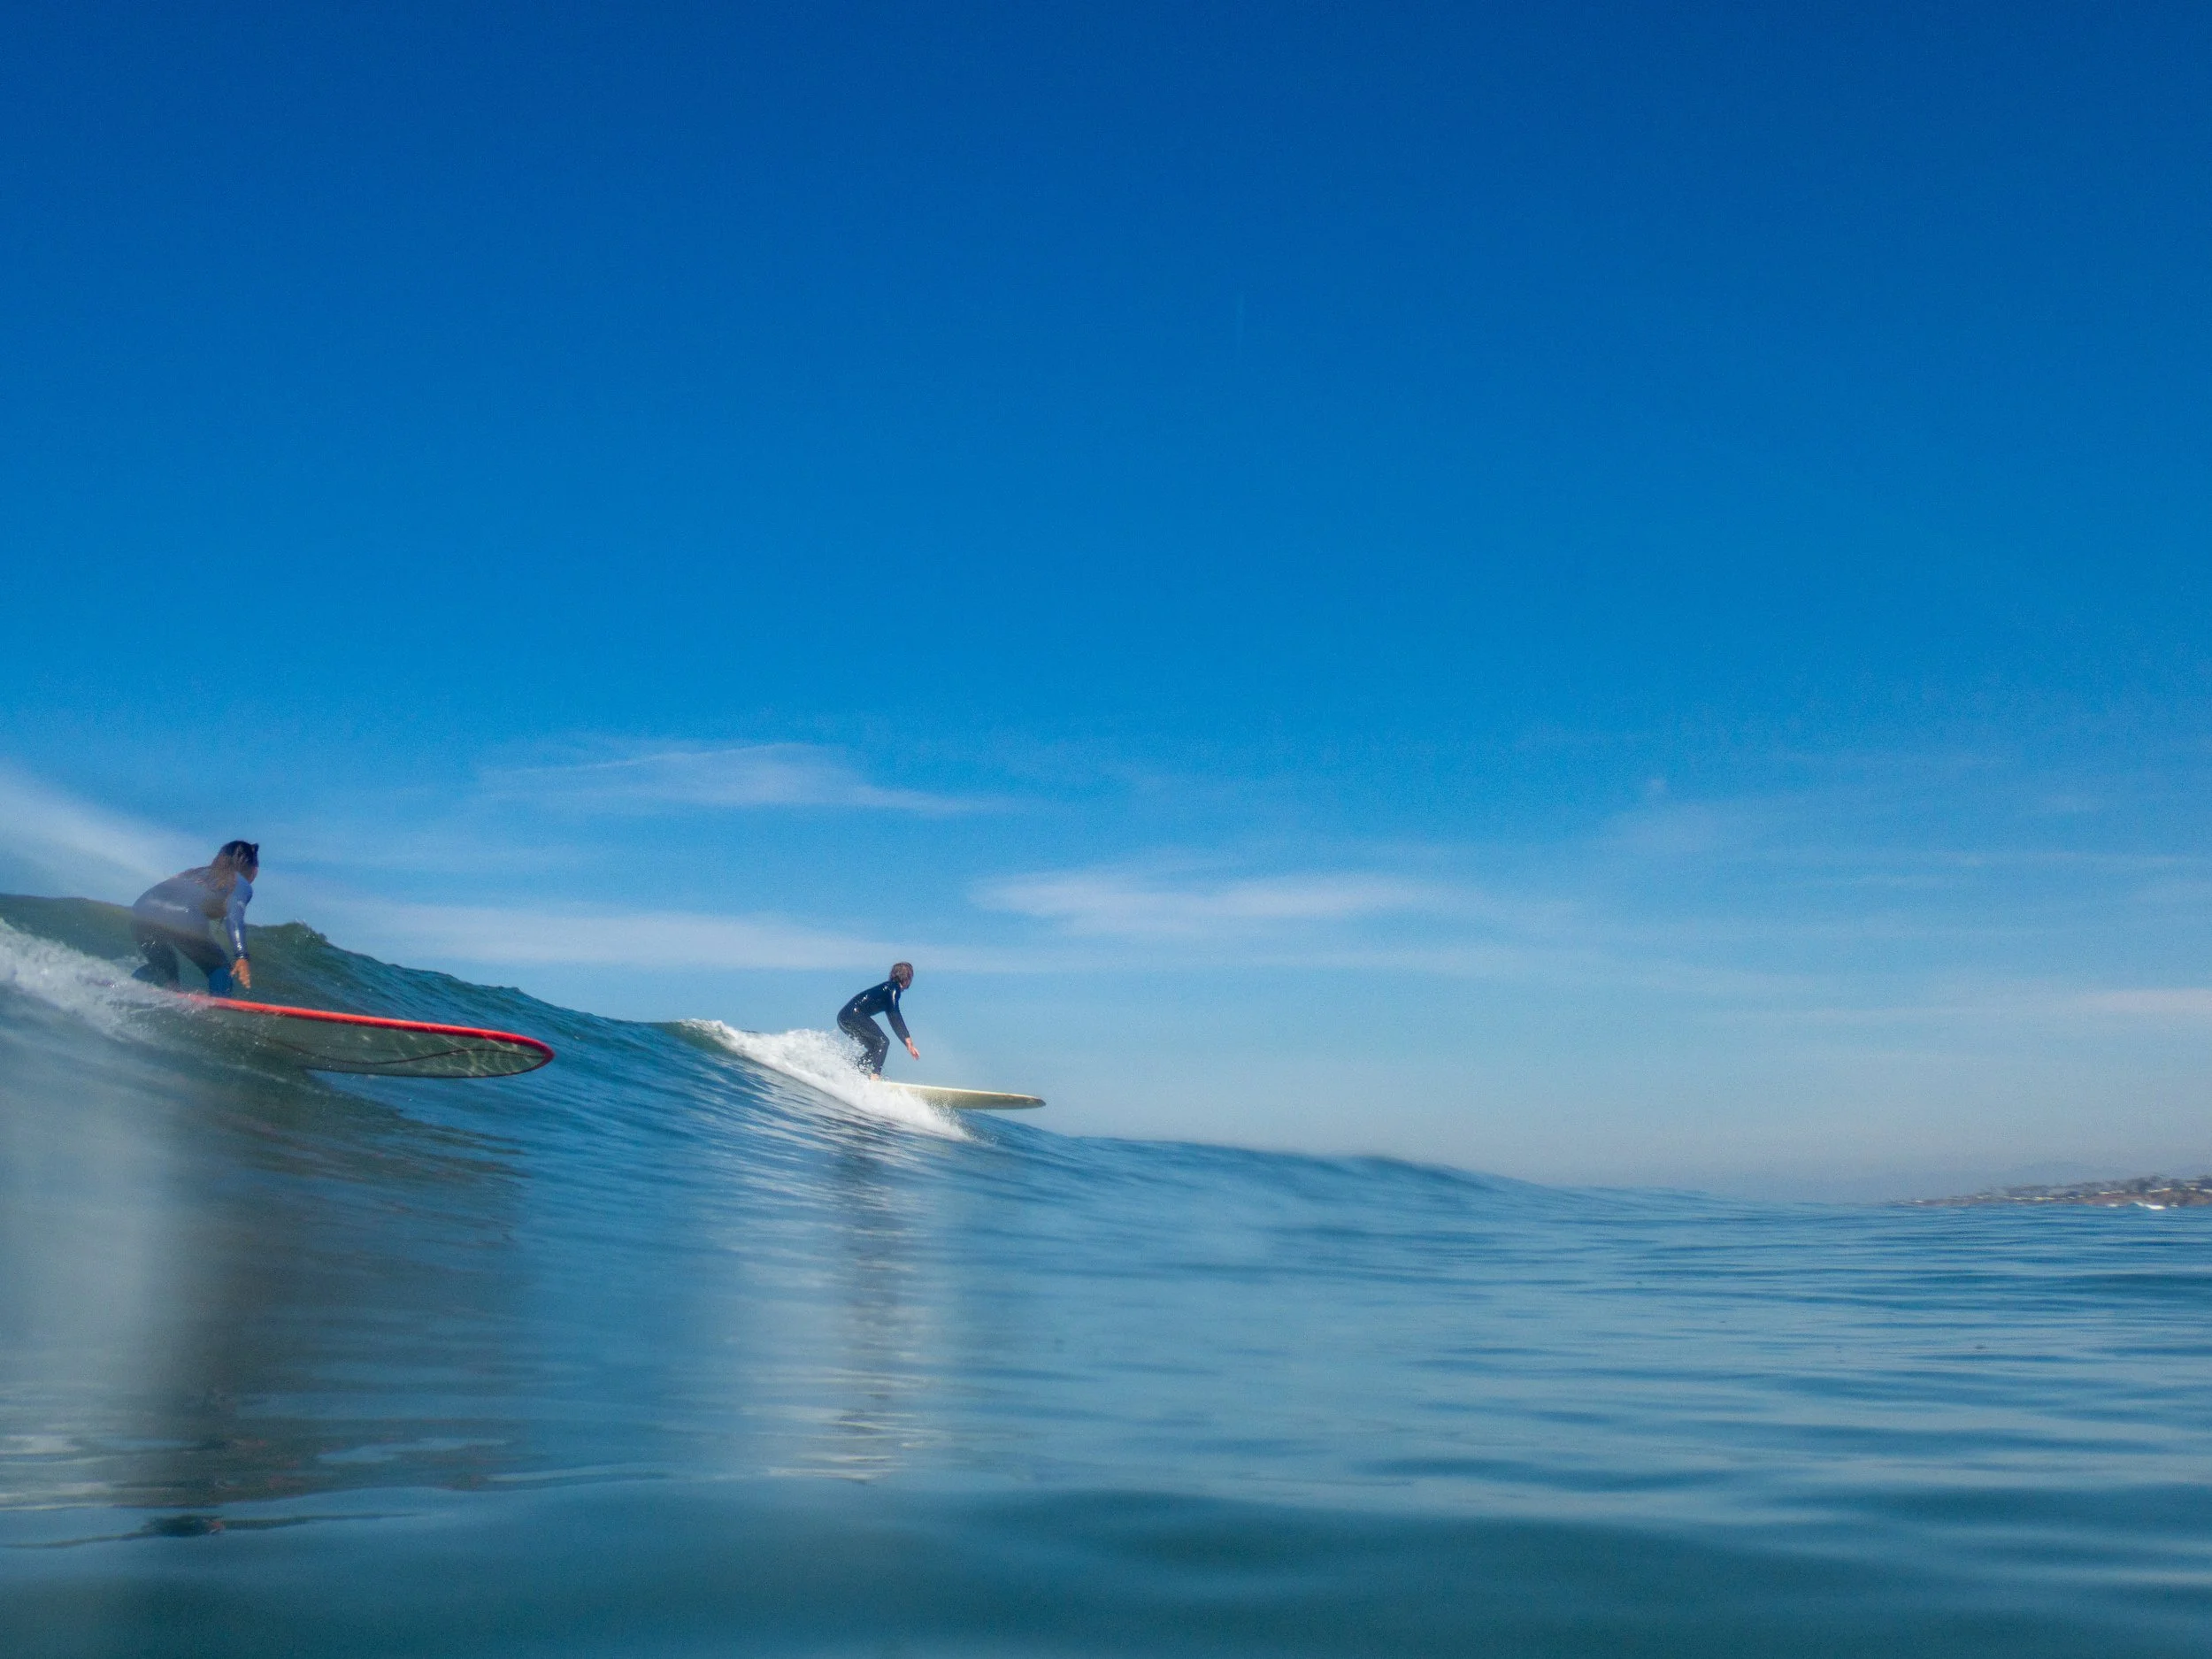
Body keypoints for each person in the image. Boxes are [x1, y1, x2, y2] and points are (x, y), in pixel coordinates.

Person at [131, 841, 259, 997]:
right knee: (219, 967)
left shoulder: (193, 873)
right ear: (253, 870)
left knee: (163, 967)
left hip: (141, 910)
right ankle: (218, 1006)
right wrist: (241, 956)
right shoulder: (240, 883)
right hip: (183, 916)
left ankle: (128, 986)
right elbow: (235, 917)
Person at [837, 962, 918, 1075]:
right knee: (883, 1042)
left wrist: (906, 1040)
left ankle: (853, 1073)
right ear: (907, 978)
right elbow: (894, 1015)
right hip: (852, 1015)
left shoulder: (888, 989)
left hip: (844, 1017)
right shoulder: (893, 988)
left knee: (875, 1047)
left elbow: (892, 1016)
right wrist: (907, 1040)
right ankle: (875, 1076)